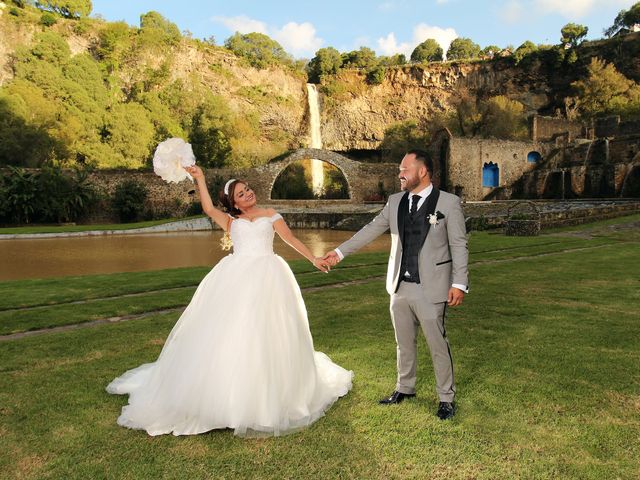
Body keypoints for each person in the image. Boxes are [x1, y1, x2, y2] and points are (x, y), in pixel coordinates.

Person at [106, 166, 353, 437]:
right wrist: (199, 178)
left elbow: (290, 239)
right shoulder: (231, 222)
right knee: (230, 331)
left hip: (269, 276)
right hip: (234, 278)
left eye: (247, 190)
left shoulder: (270, 215)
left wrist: (314, 258)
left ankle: (267, 395)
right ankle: (227, 397)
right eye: (241, 193)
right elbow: (208, 208)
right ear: (233, 202)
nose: (248, 194)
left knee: (267, 332)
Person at [323, 149, 468, 420]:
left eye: (405, 169)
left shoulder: (448, 204)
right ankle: (405, 388)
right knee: (403, 342)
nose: (399, 174)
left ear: (422, 172)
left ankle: (446, 398)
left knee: (437, 344)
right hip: (399, 285)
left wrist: (459, 283)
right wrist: (339, 252)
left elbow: (459, 245)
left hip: (432, 287)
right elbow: (370, 229)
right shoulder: (395, 201)